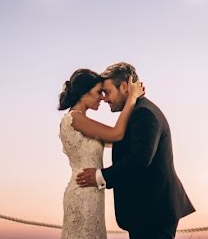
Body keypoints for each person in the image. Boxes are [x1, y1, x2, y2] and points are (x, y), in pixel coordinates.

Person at [76, 62, 195, 239]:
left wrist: (100, 177)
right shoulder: (137, 112)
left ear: (125, 86)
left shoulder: (144, 114)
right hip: (147, 212)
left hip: (154, 213)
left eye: (107, 92)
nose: (105, 99)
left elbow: (139, 159)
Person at [59, 68, 145, 239]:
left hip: (92, 190)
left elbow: (116, 139)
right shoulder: (75, 118)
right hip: (84, 190)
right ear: (84, 93)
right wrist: (132, 99)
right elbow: (116, 134)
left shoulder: (82, 121)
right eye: (99, 92)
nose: (103, 97)